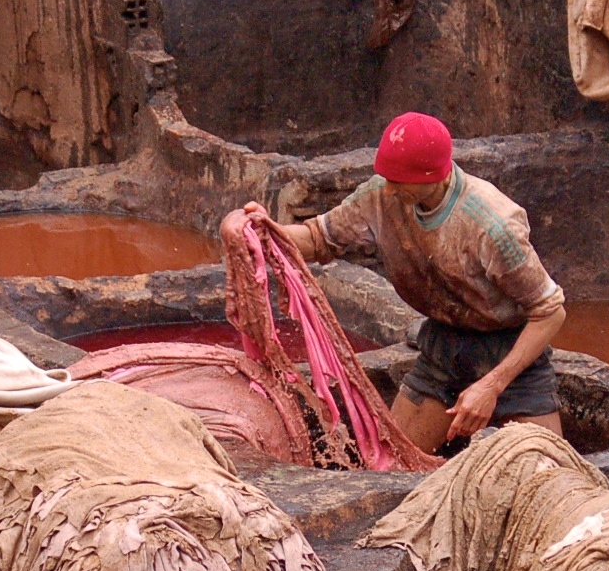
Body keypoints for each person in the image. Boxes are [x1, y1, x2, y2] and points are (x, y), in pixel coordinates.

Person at [239, 111, 566, 454]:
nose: (389, 190)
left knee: (549, 475)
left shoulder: (491, 225)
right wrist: (265, 233)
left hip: (510, 349)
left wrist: (492, 385)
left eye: (400, 181)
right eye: (386, 178)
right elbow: (319, 237)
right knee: (396, 464)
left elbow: (550, 312)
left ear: (434, 176)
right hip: (444, 344)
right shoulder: (382, 194)